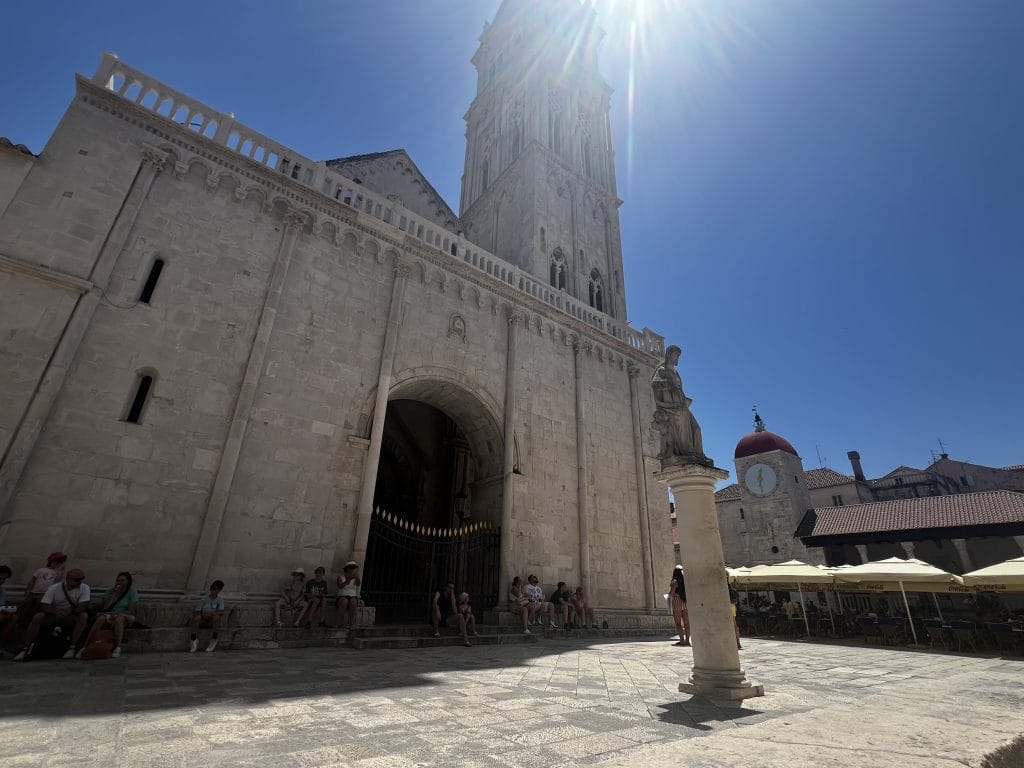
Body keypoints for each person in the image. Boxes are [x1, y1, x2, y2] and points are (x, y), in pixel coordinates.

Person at [14, 568, 91, 661]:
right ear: (68, 578)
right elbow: (44, 604)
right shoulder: (55, 588)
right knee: (38, 617)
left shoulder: (85, 588)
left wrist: (70, 610)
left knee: (83, 616)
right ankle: (25, 647)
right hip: (53, 612)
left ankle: (72, 646)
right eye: (76, 580)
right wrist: (56, 611)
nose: (79, 582)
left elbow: (83, 605)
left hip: (72, 614)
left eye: (80, 579)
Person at [650, 345, 705, 461]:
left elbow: (680, 390)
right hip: (672, 409)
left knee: (696, 428)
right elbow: (654, 383)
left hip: (682, 406)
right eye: (676, 355)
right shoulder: (662, 370)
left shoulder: (676, 373)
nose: (677, 358)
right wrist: (669, 385)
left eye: (678, 356)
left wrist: (684, 399)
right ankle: (686, 453)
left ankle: (699, 455)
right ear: (669, 355)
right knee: (683, 428)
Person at [83, 571, 139, 659]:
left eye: (122, 580)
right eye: (118, 580)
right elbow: (105, 607)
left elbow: (130, 611)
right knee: (101, 618)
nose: (119, 582)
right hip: (109, 613)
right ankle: (86, 645)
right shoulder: (110, 591)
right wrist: (113, 596)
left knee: (119, 620)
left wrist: (117, 614)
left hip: (124, 615)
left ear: (128, 581)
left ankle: (117, 647)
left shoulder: (132, 592)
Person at [16, 551, 68, 628]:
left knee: (36, 609)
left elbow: (57, 580)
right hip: (33, 593)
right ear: (51, 561)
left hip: (43, 595)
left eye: (59, 563)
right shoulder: (41, 570)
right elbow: (32, 580)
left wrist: (62, 571)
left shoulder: (54, 573)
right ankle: (19, 622)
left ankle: (28, 624)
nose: (58, 564)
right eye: (56, 562)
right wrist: (28, 589)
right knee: (26, 608)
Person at [189, 580, 225, 653]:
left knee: (216, 617)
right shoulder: (204, 599)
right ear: (211, 589)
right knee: (197, 618)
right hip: (203, 617)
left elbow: (221, 611)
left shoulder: (220, 600)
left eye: (217, 589)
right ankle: (193, 639)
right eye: (213, 588)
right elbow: (197, 610)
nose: (214, 591)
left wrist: (213, 614)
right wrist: (203, 614)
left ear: (219, 590)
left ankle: (214, 639)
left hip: (212, 618)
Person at [335, 561, 361, 629]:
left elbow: (358, 584)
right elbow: (340, 586)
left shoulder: (355, 578)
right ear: (347, 568)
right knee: (344, 601)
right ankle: (338, 623)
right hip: (342, 595)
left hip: (352, 595)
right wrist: (348, 580)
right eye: (351, 567)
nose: (352, 569)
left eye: (354, 568)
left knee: (353, 602)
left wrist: (357, 577)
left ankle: (351, 623)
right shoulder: (340, 577)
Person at [669, 565, 689, 646]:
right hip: (685, 602)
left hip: (677, 601)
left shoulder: (674, 581)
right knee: (687, 623)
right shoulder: (685, 582)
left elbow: (671, 594)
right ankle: (687, 640)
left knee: (678, 623)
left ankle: (682, 640)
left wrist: (673, 587)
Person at [729, 584, 742, 650]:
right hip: (733, 606)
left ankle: (735, 643)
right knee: (735, 625)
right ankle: (738, 643)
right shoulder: (733, 590)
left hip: (727, 606)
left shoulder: (725, 589)